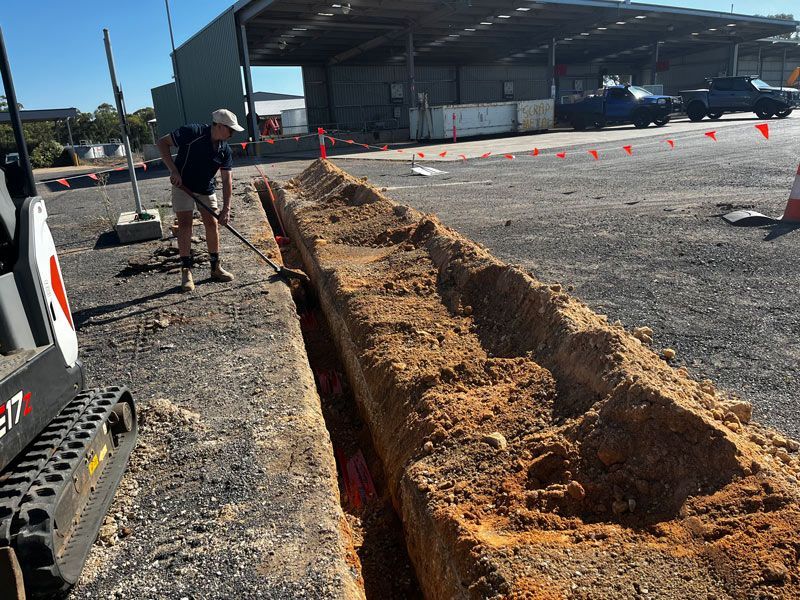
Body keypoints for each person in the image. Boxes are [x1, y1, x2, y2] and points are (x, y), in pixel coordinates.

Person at [157, 108, 243, 292]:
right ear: (220, 126)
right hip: (183, 186)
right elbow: (162, 143)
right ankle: (186, 271)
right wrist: (173, 170)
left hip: (205, 188)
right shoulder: (192, 132)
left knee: (212, 224)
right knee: (185, 225)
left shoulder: (224, 149)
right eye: (231, 130)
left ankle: (215, 267)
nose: (232, 134)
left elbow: (227, 180)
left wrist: (226, 208)